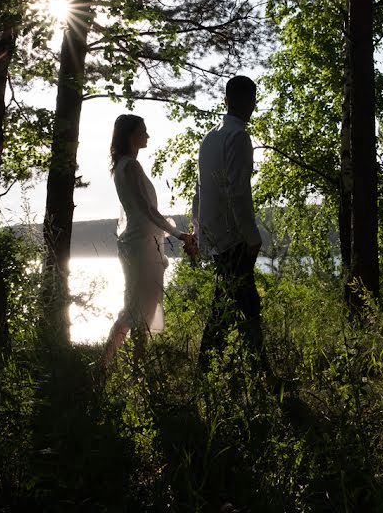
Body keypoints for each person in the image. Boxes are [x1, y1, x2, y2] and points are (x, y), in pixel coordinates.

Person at [103, 114, 195, 366]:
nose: (148, 135)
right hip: (141, 245)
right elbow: (146, 210)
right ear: (131, 135)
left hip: (141, 243)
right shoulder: (130, 166)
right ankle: (109, 365)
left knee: (140, 307)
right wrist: (180, 235)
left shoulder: (123, 164)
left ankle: (134, 367)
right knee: (136, 308)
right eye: (143, 130)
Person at [193, 75, 266, 372]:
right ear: (251, 103)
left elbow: (199, 190)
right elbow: (237, 191)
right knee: (245, 305)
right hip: (232, 237)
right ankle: (263, 375)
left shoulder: (210, 137)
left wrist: (200, 233)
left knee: (226, 304)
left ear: (226, 101)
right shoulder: (238, 137)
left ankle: (208, 369)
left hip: (215, 236)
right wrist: (252, 236)